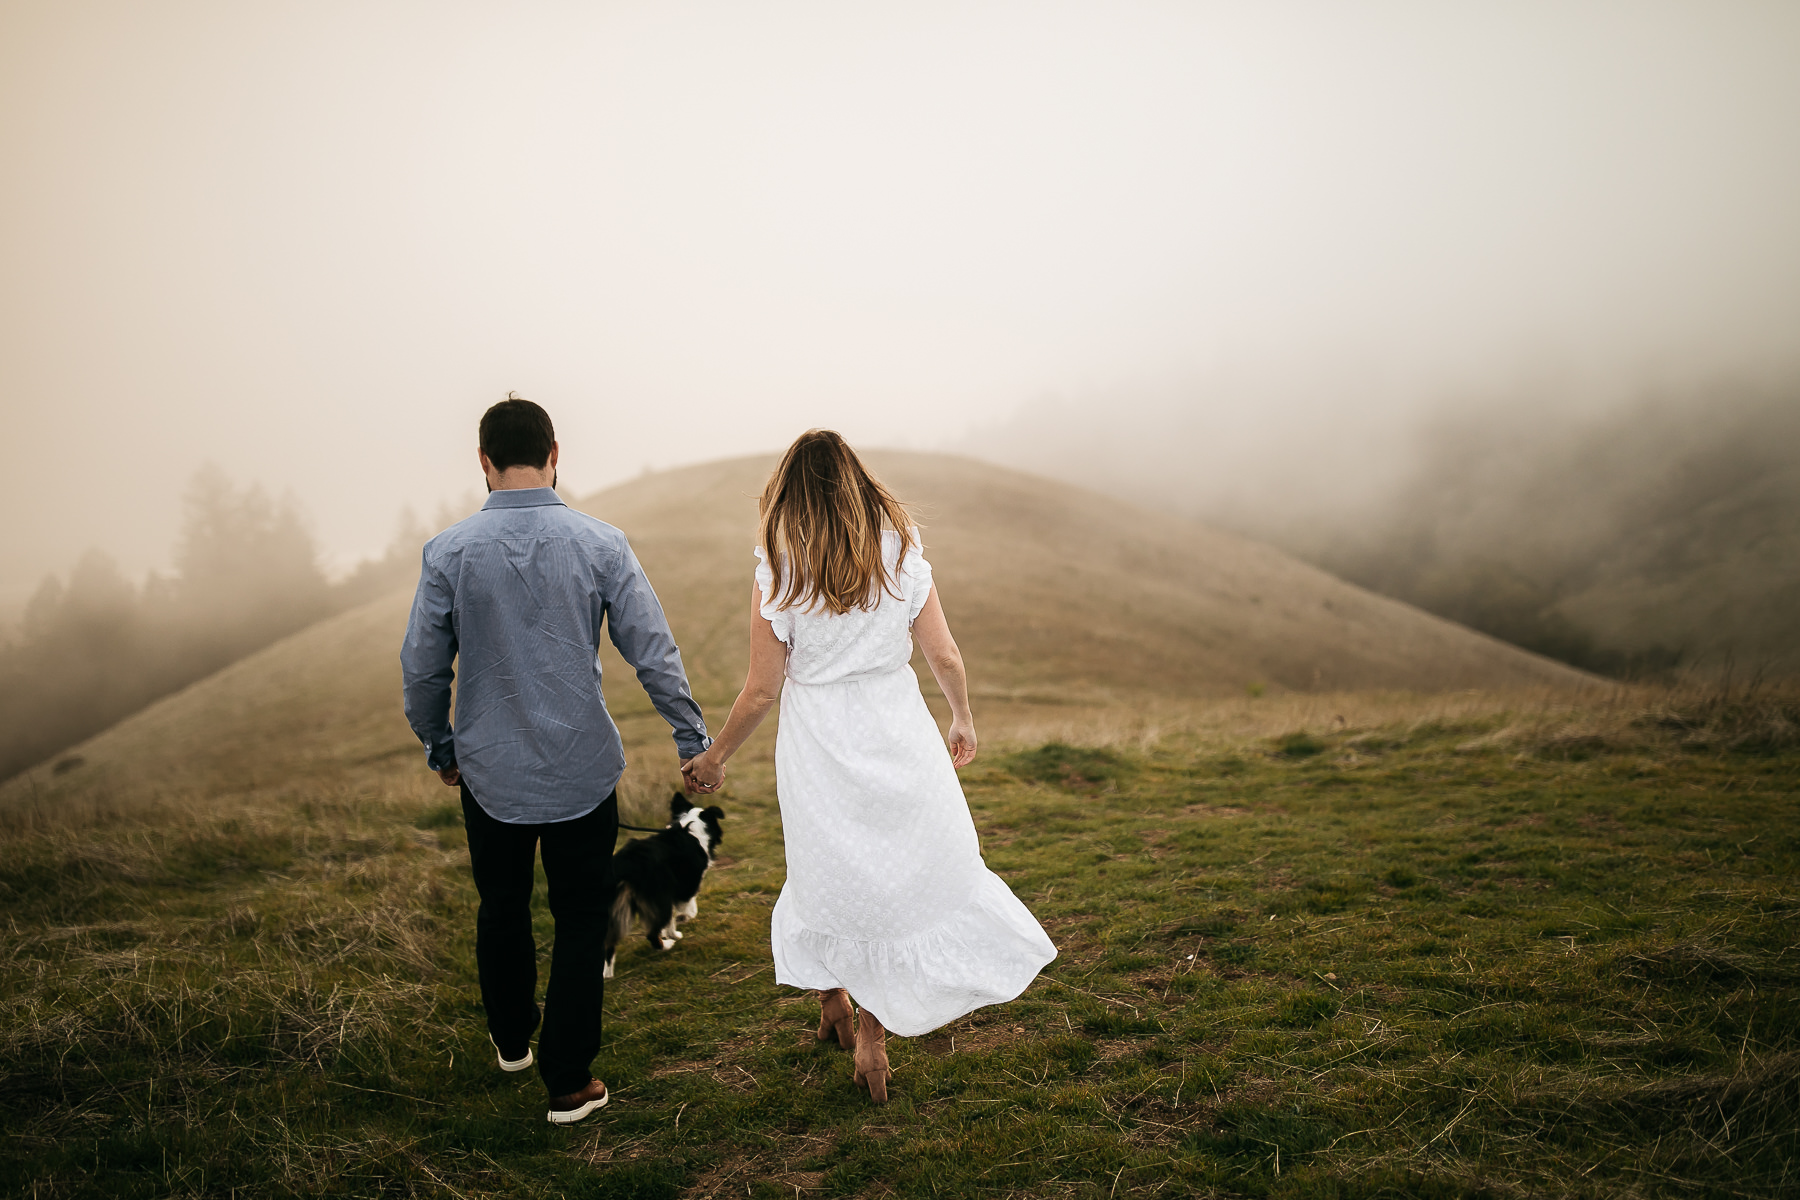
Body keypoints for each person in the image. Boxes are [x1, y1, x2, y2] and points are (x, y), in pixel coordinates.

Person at [680, 430, 1056, 1104]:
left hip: (818, 742)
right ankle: (871, 1035)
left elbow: (763, 689)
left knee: (827, 869)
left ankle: (834, 1004)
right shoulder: (902, 549)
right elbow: (943, 654)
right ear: (859, 484)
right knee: (889, 877)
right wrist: (963, 717)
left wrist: (714, 758)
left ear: (788, 494)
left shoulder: (779, 566)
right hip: (897, 728)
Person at [400, 396, 710, 1125]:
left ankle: (513, 1040)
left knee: (501, 908)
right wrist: (690, 739)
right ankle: (569, 1082)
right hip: (580, 767)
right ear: (555, 452)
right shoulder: (601, 543)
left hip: (489, 772)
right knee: (577, 917)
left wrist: (440, 745)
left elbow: (421, 670)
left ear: (483, 461)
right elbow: (651, 649)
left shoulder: (448, 552)